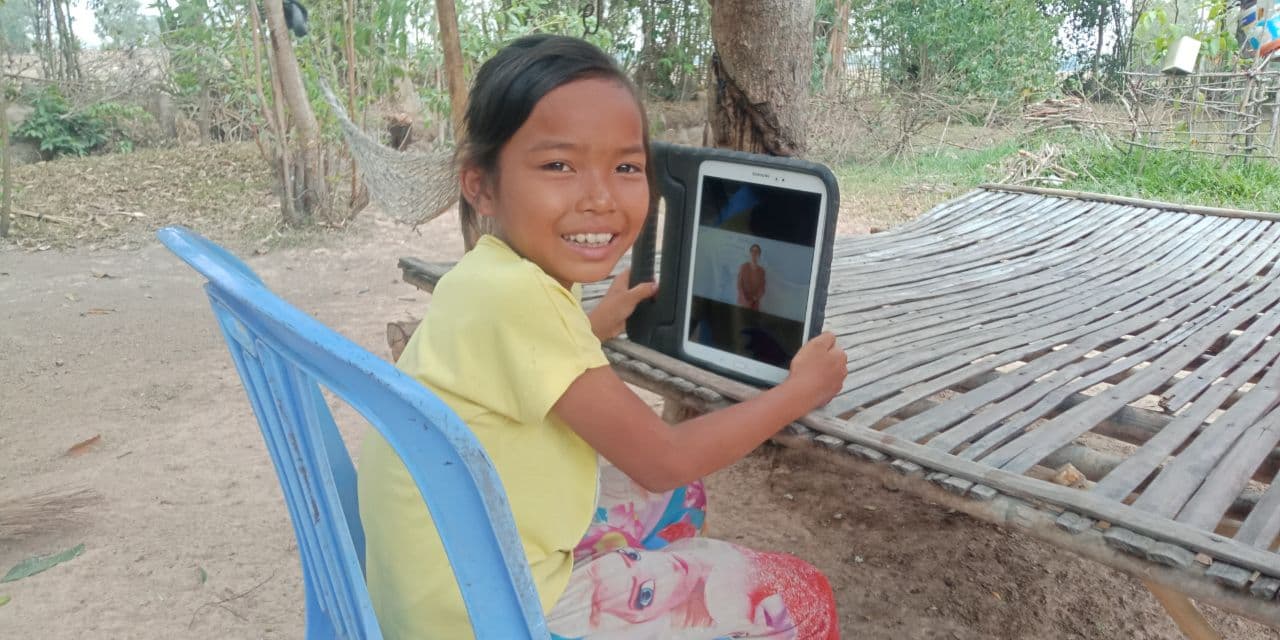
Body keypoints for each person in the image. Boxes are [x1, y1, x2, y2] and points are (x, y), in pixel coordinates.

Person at [357, 34, 847, 640]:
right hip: (493, 615)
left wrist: (592, 327)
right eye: (558, 166)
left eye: (626, 167)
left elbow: (520, 364)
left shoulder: (486, 276)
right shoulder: (521, 296)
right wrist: (799, 392)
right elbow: (663, 459)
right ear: (480, 185)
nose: (600, 198)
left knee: (683, 498)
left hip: (447, 576)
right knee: (800, 595)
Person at [737, 244, 767, 311]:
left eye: (756, 252)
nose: (754, 253)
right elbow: (739, 284)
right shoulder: (744, 267)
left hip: (755, 304)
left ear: (759, 255)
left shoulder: (762, 271)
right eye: (752, 251)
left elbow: (762, 288)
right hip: (743, 302)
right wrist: (745, 300)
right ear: (750, 253)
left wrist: (755, 298)